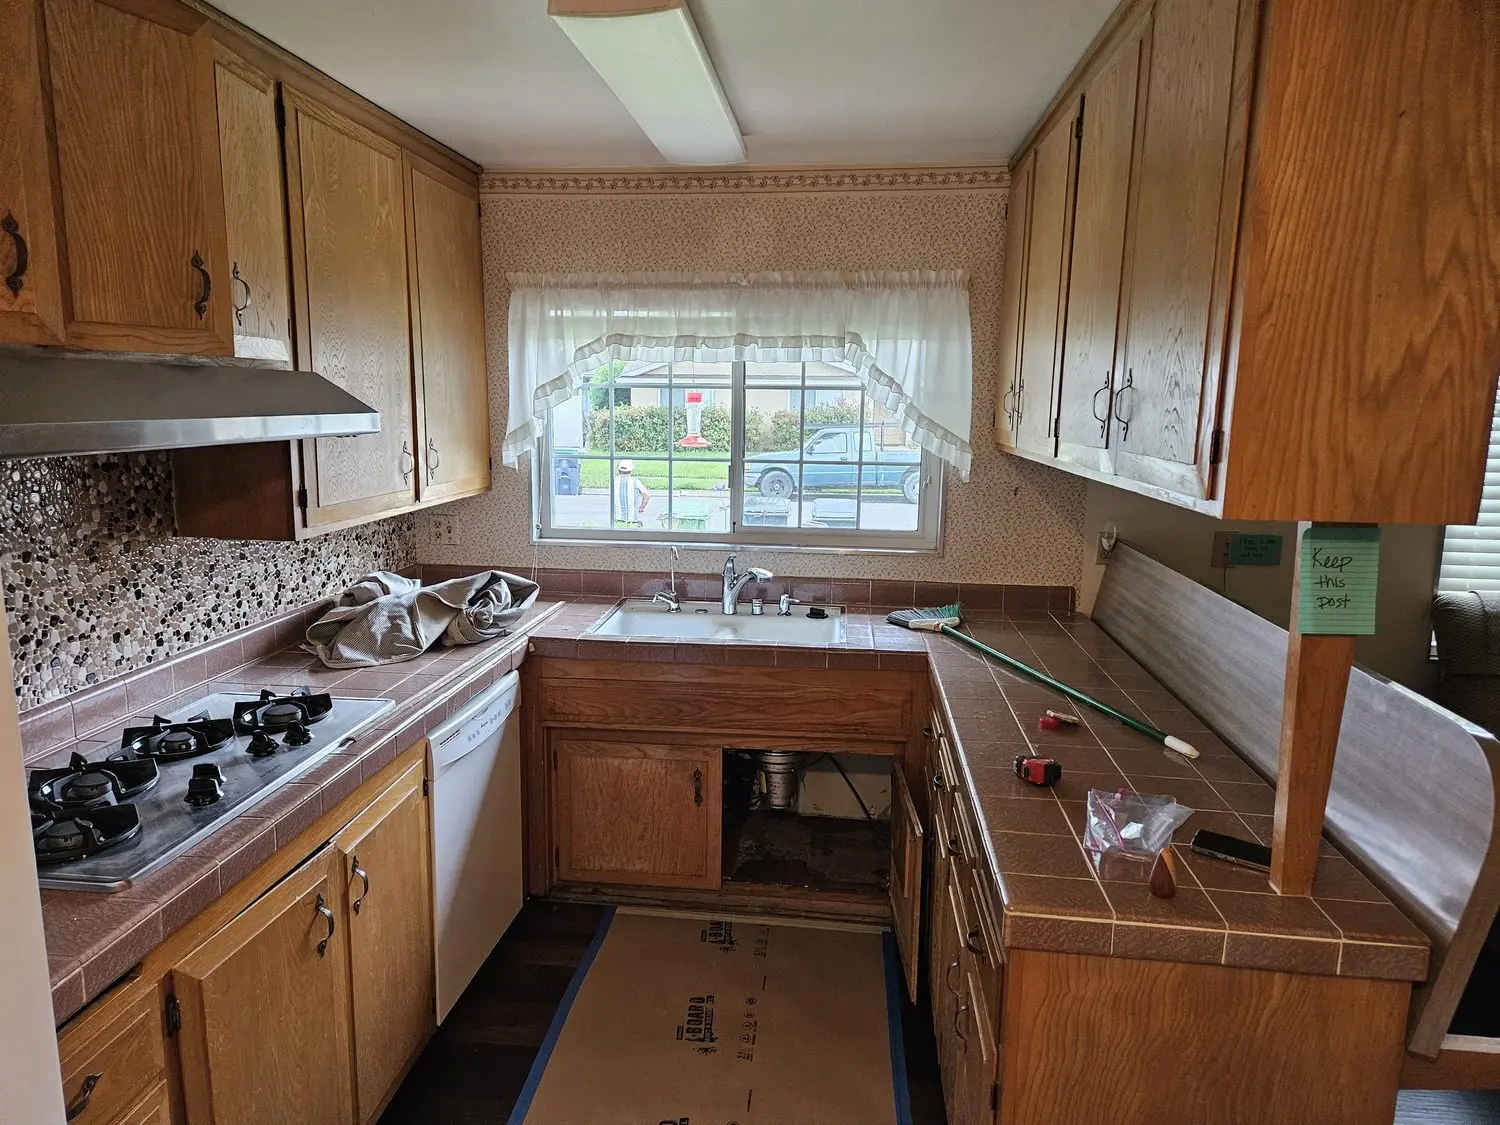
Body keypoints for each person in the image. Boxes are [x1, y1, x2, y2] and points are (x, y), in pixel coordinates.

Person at [614, 459, 652, 526]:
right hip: (633, 521)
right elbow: (647, 495)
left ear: (618, 469)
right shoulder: (635, 482)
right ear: (631, 470)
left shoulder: (614, 481)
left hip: (617, 521)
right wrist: (641, 508)